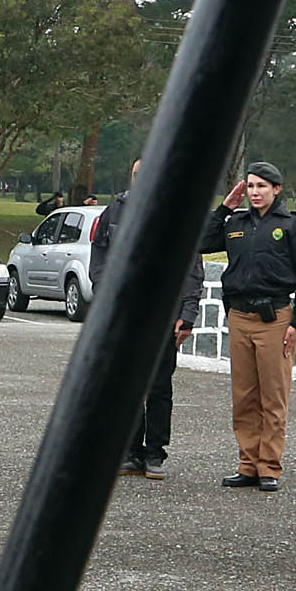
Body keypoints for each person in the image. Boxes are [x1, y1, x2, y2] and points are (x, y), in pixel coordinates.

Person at [205, 161, 296, 490]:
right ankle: (248, 464)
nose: (255, 193)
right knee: (244, 396)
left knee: (273, 396)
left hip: (275, 318)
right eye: (251, 186)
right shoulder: (236, 223)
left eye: (261, 186)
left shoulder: (292, 225)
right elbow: (202, 242)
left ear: (276, 189)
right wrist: (225, 208)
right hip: (240, 316)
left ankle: (269, 465)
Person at [92, 162, 205, 480]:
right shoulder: (115, 211)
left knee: (157, 388)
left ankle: (155, 453)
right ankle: (130, 452)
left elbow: (192, 268)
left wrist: (188, 313)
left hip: (163, 316)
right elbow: (99, 254)